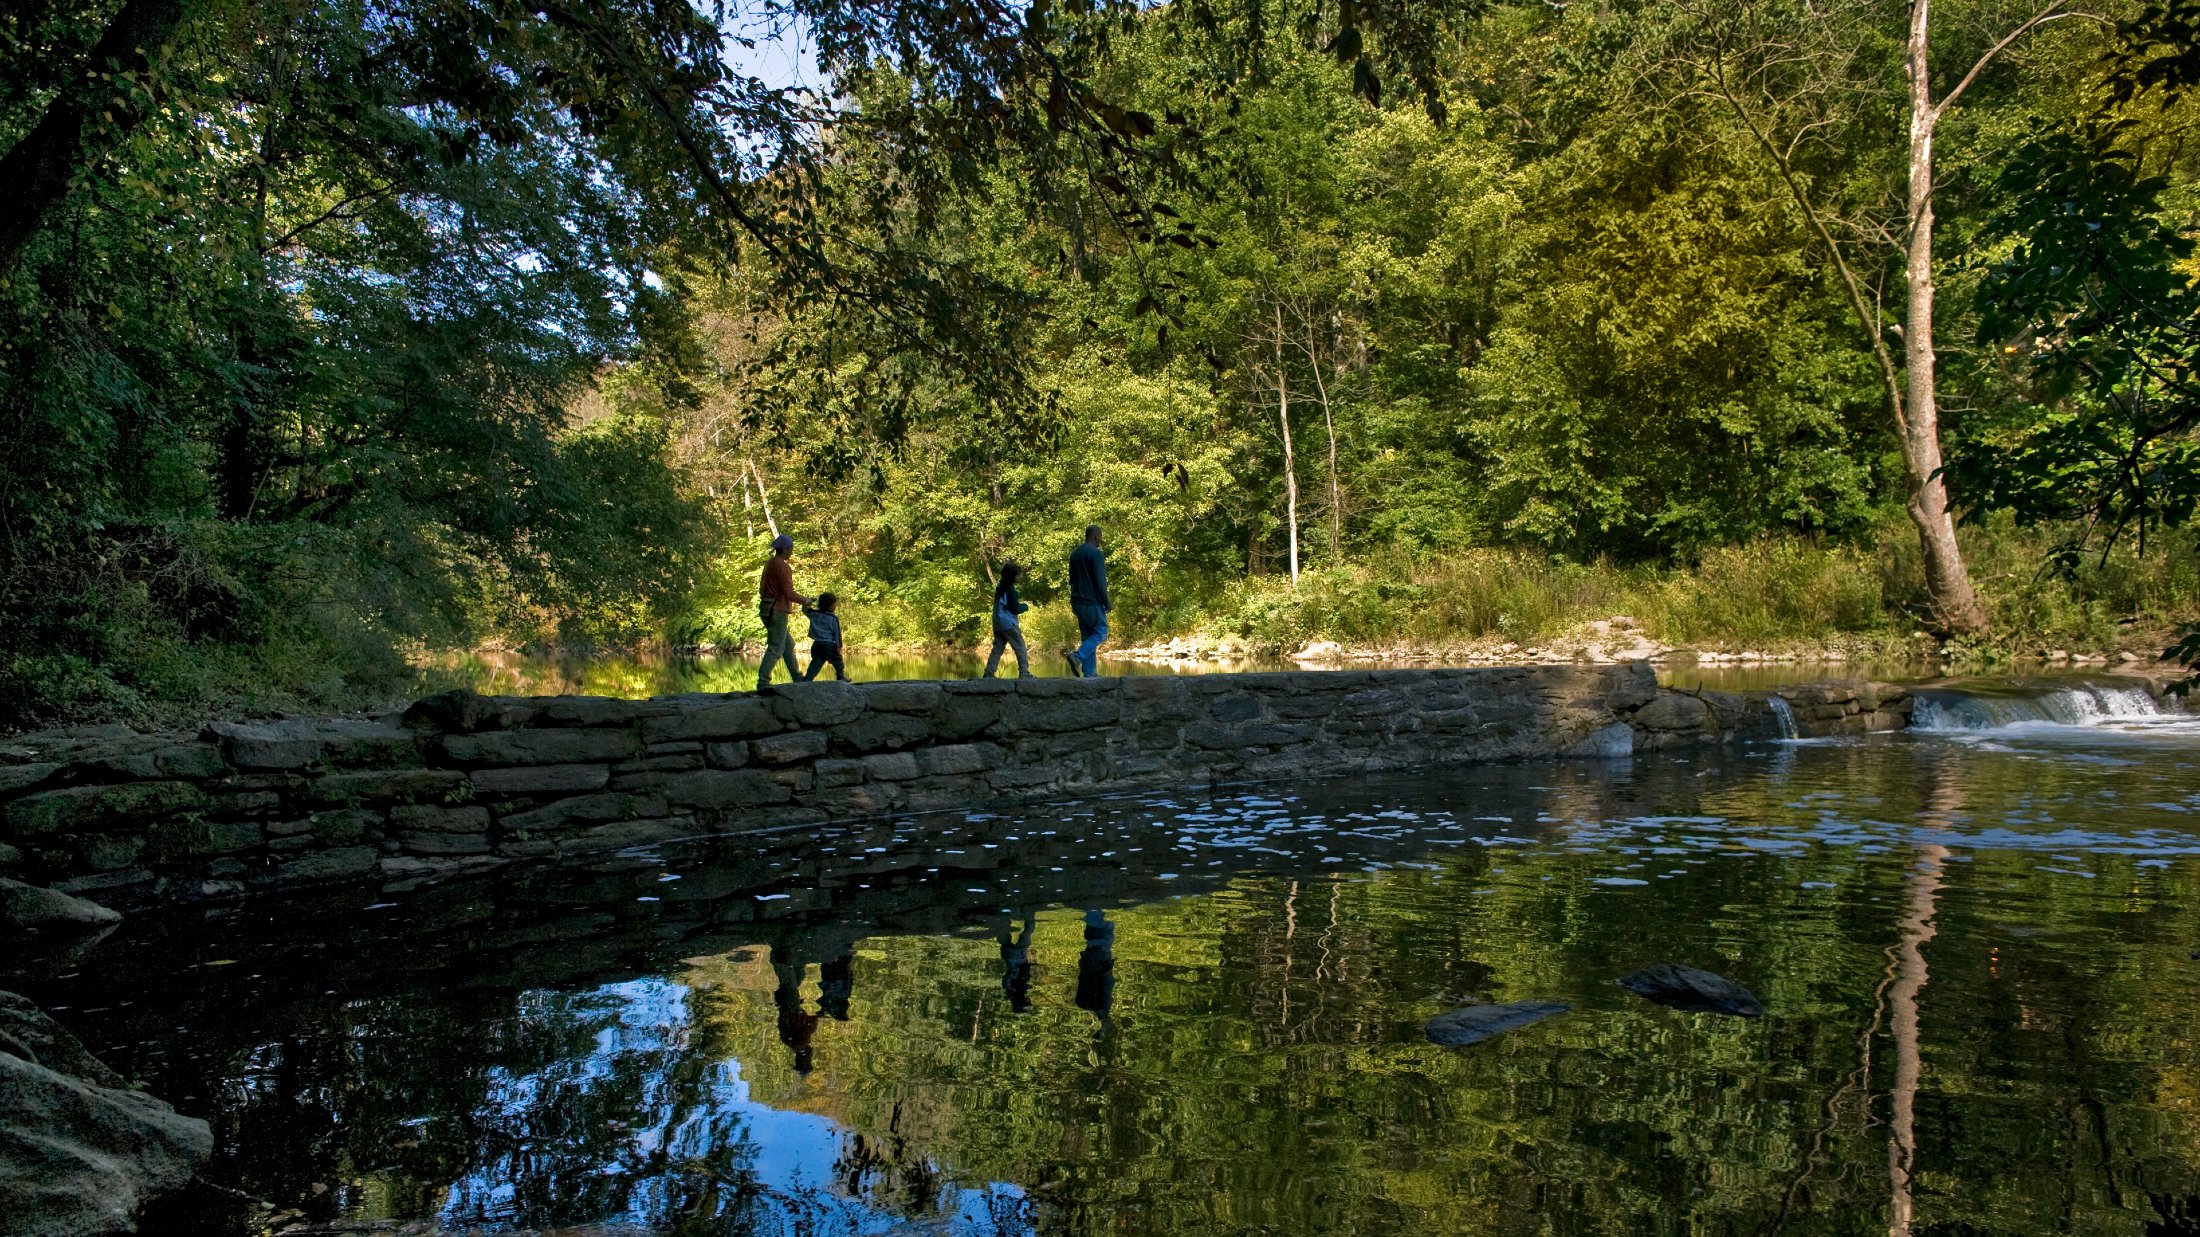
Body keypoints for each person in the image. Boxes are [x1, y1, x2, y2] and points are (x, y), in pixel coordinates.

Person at [757, 535, 811, 691]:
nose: (791, 552)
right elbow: (788, 593)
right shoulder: (783, 567)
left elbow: (762, 589)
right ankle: (763, 682)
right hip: (777, 611)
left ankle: (797, 677)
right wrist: (806, 600)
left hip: (766, 609)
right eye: (791, 549)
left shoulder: (769, 564)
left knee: (788, 644)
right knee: (776, 647)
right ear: (786, 549)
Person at [1066, 524, 1110, 678]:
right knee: (1101, 632)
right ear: (1096, 536)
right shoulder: (1096, 554)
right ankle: (1077, 657)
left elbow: (1071, 580)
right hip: (1091, 601)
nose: (1101, 540)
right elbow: (1100, 581)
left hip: (1077, 601)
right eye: (1101, 536)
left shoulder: (1074, 554)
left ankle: (1089, 674)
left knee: (1087, 635)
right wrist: (1106, 601)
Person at [983, 563, 1032, 679]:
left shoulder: (1000, 588)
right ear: (1012, 576)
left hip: (997, 623)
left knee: (998, 648)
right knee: (1020, 646)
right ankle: (1024, 672)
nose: (1020, 577)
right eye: (1019, 575)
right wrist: (1025, 606)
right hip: (1008, 623)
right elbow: (1015, 608)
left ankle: (989, 673)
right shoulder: (1009, 590)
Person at [802, 592, 846, 681]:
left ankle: (808, 679)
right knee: (838, 661)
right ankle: (841, 678)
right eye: (835, 604)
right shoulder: (833, 618)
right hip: (828, 644)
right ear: (831, 606)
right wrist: (839, 646)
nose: (835, 606)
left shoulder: (814, 614)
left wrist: (809, 601)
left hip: (817, 644)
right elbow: (837, 633)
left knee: (816, 662)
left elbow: (804, 609)